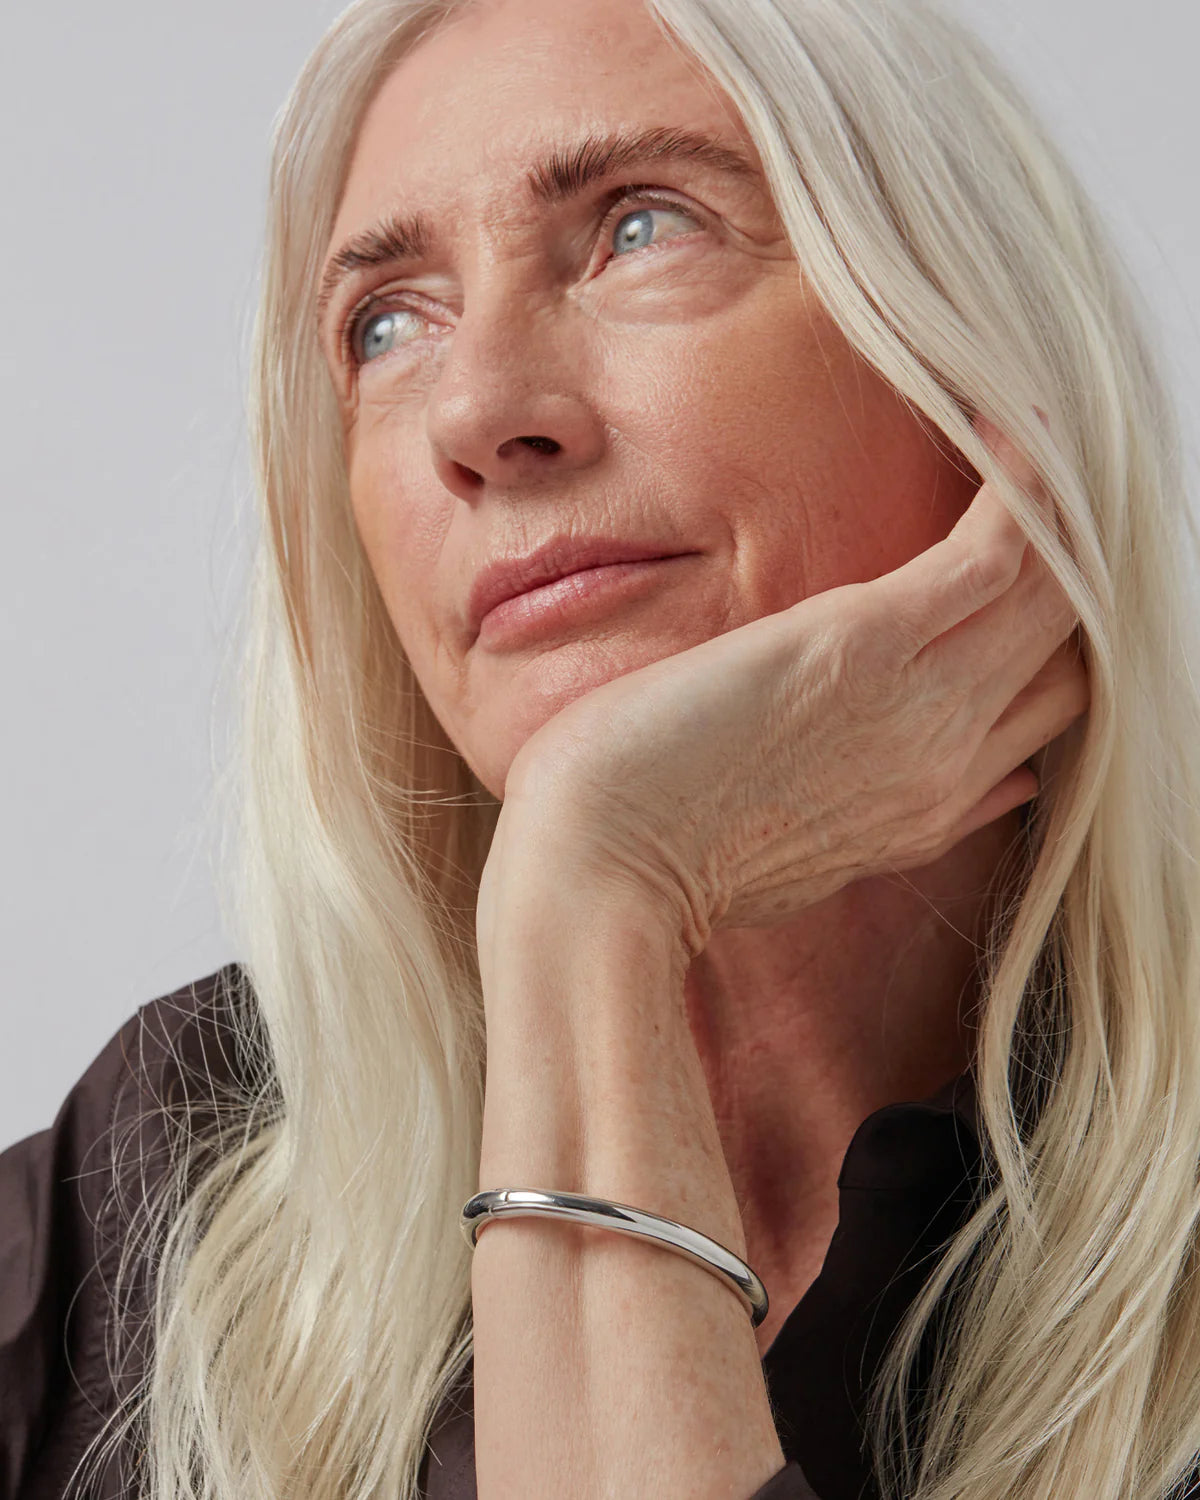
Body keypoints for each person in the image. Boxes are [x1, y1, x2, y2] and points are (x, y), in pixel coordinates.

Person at [2, 0, 1197, 1495]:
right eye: (387, 323)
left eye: (643, 228)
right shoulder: (159, 1181)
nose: (481, 411)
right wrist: (596, 890)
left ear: (970, 372)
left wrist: (593, 903)